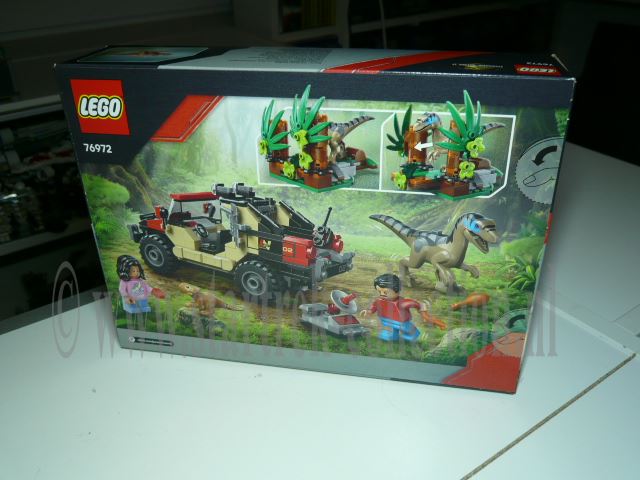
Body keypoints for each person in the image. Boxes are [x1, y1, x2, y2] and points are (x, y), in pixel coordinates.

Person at [360, 273, 426, 342]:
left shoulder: (401, 302)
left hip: (401, 322)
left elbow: (413, 303)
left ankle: (411, 336)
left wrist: (420, 307)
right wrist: (369, 311)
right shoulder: (379, 301)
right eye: (379, 292)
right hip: (387, 320)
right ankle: (393, 335)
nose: (382, 295)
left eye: (385, 292)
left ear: (397, 290)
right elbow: (374, 306)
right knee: (392, 329)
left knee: (408, 328)